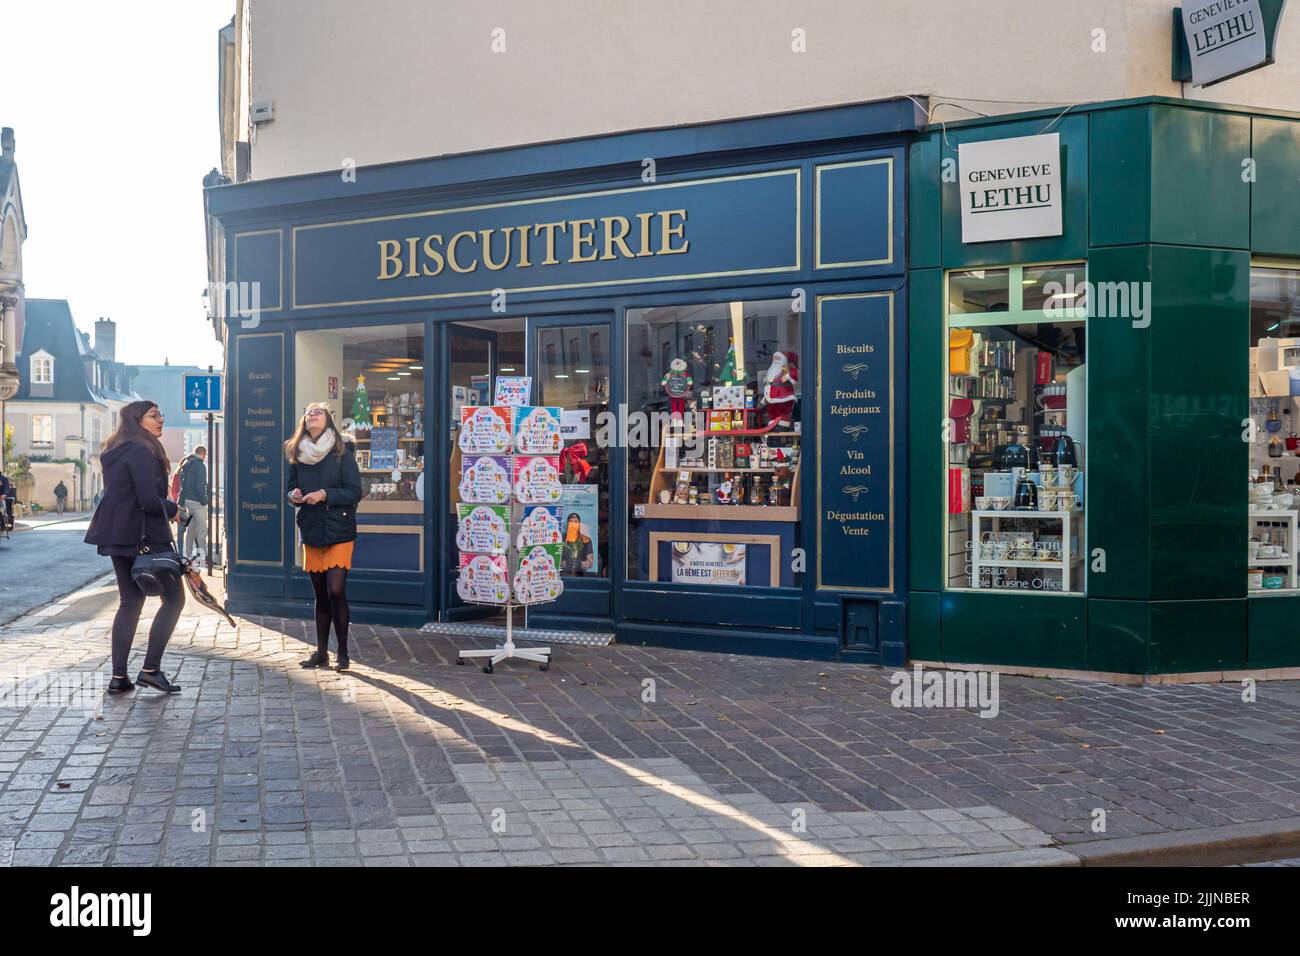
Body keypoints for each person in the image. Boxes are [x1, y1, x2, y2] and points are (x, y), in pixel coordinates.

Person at [83, 400, 185, 694]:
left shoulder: (115, 451)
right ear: (136, 421)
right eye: (154, 415)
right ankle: (151, 670)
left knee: (130, 602)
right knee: (174, 600)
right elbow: (148, 500)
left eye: (160, 413)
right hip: (144, 534)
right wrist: (173, 508)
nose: (161, 419)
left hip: (118, 533)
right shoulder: (142, 451)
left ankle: (119, 678)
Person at [286, 402, 361, 672]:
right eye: (307, 412)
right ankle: (321, 652)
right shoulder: (297, 452)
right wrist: (294, 496)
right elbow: (290, 488)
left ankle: (342, 651)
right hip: (312, 528)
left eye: (318, 412)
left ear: (328, 420)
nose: (312, 415)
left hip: (339, 529)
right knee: (320, 594)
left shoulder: (342, 451)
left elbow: (354, 492)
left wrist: (325, 494)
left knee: (336, 590)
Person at [178, 446, 209, 562]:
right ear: (203, 454)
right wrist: (205, 501)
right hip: (197, 501)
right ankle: (202, 558)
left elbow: (183, 485)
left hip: (188, 501)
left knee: (190, 529)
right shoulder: (200, 465)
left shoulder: (187, 464)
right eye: (205, 455)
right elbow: (199, 485)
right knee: (202, 530)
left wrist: (182, 501)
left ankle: (188, 556)